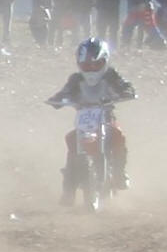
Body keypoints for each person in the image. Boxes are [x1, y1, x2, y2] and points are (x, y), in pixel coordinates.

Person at [47, 39, 137, 197]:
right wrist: (58, 100)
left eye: (96, 64)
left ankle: (119, 173)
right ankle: (69, 184)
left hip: (106, 118)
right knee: (71, 139)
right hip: (84, 121)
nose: (91, 69)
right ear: (79, 64)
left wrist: (127, 91)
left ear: (105, 61)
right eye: (87, 65)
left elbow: (125, 85)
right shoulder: (76, 79)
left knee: (118, 136)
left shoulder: (111, 75)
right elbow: (65, 92)